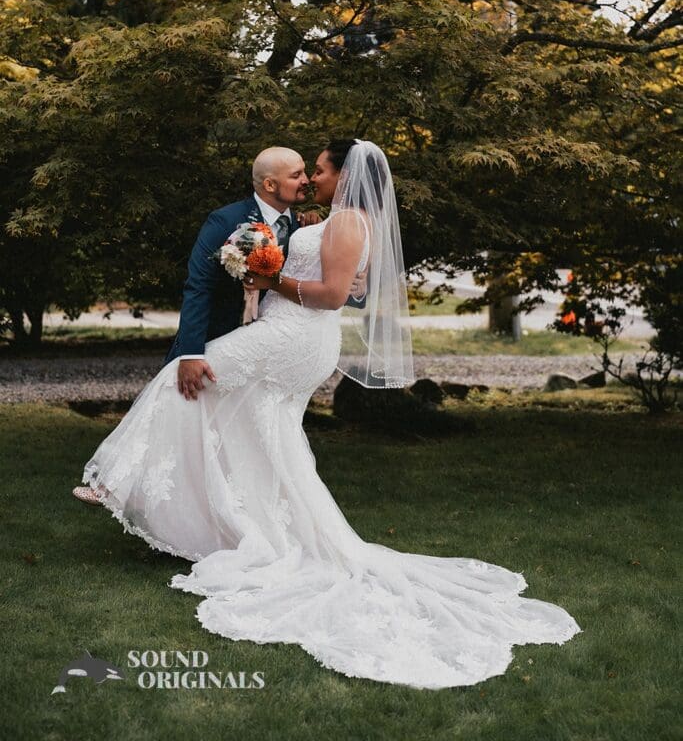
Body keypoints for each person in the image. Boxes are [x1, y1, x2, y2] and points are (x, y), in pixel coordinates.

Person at [72, 139, 581, 689]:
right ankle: (251, 529)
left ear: (344, 174)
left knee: (185, 378)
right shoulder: (323, 219)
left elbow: (334, 293)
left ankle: (120, 479)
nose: (311, 178)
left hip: (293, 335)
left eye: (318, 169)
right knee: (264, 434)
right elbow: (335, 282)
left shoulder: (342, 222)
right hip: (294, 336)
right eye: (303, 172)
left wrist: (270, 282)